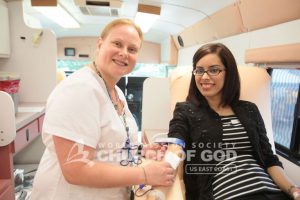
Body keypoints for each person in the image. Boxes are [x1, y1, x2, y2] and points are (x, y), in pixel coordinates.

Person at [30, 18, 174, 200]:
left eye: (132, 49)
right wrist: (144, 173)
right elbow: (76, 169)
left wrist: (140, 150)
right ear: (100, 44)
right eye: (117, 44)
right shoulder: (79, 90)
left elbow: (108, 142)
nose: (124, 53)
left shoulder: (116, 92)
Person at [167, 43, 300, 200]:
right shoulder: (186, 110)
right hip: (229, 194)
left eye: (214, 70)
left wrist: (294, 190)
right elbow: (175, 143)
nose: (204, 77)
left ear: (228, 73)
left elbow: (270, 159)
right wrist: (168, 162)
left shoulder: (249, 109)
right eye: (199, 70)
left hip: (272, 192)